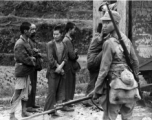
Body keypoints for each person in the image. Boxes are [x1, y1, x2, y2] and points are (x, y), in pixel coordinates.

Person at [89, 11, 140, 120]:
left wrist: (97, 90)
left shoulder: (109, 42)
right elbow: (135, 62)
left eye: (108, 22)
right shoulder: (126, 39)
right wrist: (135, 79)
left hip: (114, 86)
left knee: (109, 117)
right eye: (103, 22)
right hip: (130, 85)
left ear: (116, 23)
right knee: (128, 117)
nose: (104, 25)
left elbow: (104, 70)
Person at [10, 22, 36, 120]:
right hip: (21, 70)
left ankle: (24, 112)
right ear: (25, 31)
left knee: (26, 91)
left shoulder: (26, 41)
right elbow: (22, 58)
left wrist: (34, 55)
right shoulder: (20, 43)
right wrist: (32, 59)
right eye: (30, 30)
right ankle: (12, 114)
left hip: (26, 70)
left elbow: (29, 52)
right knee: (18, 92)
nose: (31, 31)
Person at [44, 25, 68, 117]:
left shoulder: (64, 45)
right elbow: (50, 59)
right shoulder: (50, 44)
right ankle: (46, 112)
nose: (55, 36)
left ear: (62, 34)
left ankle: (53, 111)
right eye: (54, 34)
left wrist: (61, 67)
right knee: (51, 92)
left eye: (57, 34)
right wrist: (58, 67)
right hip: (52, 72)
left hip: (60, 71)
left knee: (58, 92)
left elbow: (66, 58)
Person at [62, 22, 80, 111]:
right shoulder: (67, 40)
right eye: (74, 29)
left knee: (69, 84)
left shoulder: (67, 39)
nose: (75, 31)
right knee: (68, 85)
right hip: (68, 66)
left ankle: (68, 103)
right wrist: (76, 53)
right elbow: (72, 56)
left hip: (68, 65)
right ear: (69, 29)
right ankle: (65, 104)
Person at [27, 23, 42, 112]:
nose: (34, 31)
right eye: (32, 29)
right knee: (29, 85)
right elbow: (28, 52)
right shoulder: (27, 40)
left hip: (34, 66)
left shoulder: (33, 40)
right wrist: (36, 53)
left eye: (34, 29)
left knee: (34, 84)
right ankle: (28, 106)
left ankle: (32, 103)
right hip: (29, 65)